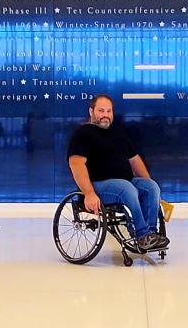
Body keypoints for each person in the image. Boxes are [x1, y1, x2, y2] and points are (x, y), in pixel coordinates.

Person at [67, 95, 169, 254]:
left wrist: (151, 192)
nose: (105, 114)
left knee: (151, 187)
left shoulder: (118, 133)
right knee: (126, 187)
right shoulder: (83, 133)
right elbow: (76, 164)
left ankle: (151, 234)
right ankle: (142, 236)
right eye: (101, 110)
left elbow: (134, 160)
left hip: (126, 182)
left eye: (109, 111)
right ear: (91, 111)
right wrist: (89, 194)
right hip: (99, 185)